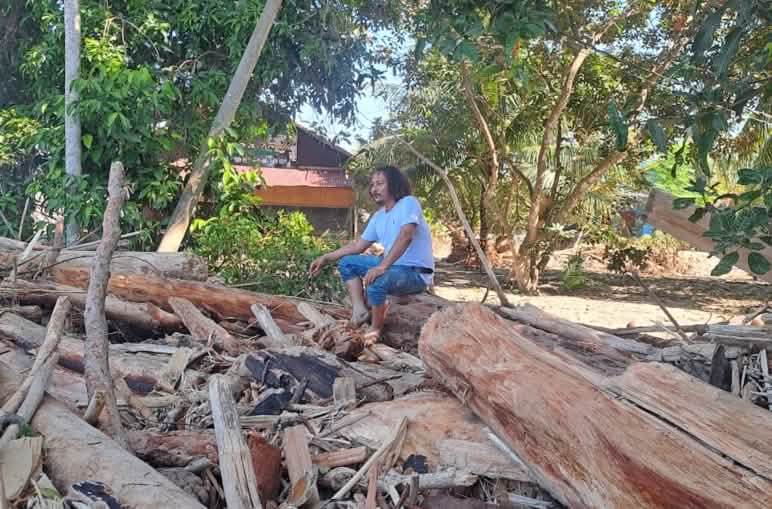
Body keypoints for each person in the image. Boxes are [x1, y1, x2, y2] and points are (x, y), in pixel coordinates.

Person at [309, 165, 434, 344]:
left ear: (394, 184)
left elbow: (406, 235)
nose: (374, 189)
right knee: (347, 263)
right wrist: (326, 257)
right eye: (373, 184)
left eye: (380, 183)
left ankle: (375, 329)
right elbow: (358, 246)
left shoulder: (408, 203)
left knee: (377, 280)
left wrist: (382, 266)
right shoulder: (378, 217)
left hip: (415, 273)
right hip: (392, 266)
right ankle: (359, 310)